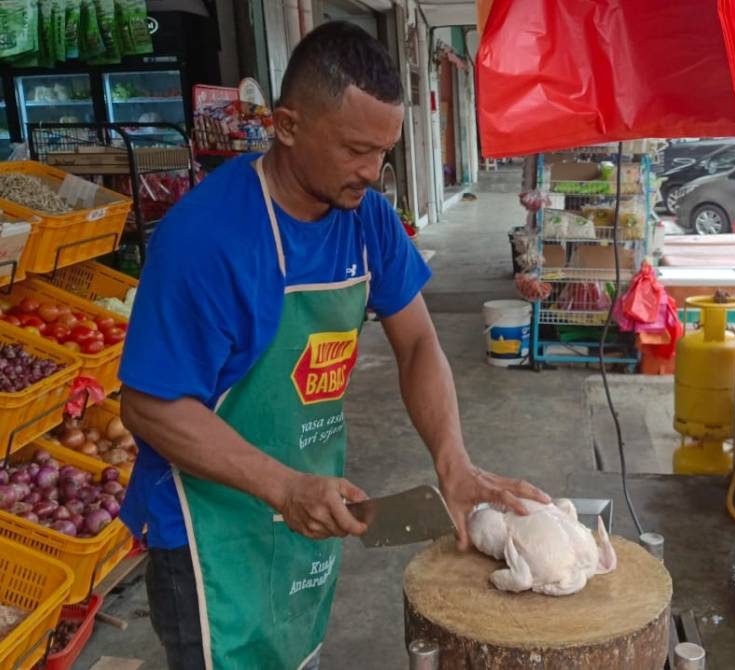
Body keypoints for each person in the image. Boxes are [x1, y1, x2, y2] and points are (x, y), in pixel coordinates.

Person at [119, 21, 549, 670]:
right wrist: (283, 487)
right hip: (212, 537)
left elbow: (419, 345)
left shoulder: (367, 218)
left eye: (385, 153)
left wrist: (453, 461)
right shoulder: (206, 240)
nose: (373, 173)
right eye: (355, 150)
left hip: (305, 518)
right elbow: (150, 407)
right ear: (287, 126)